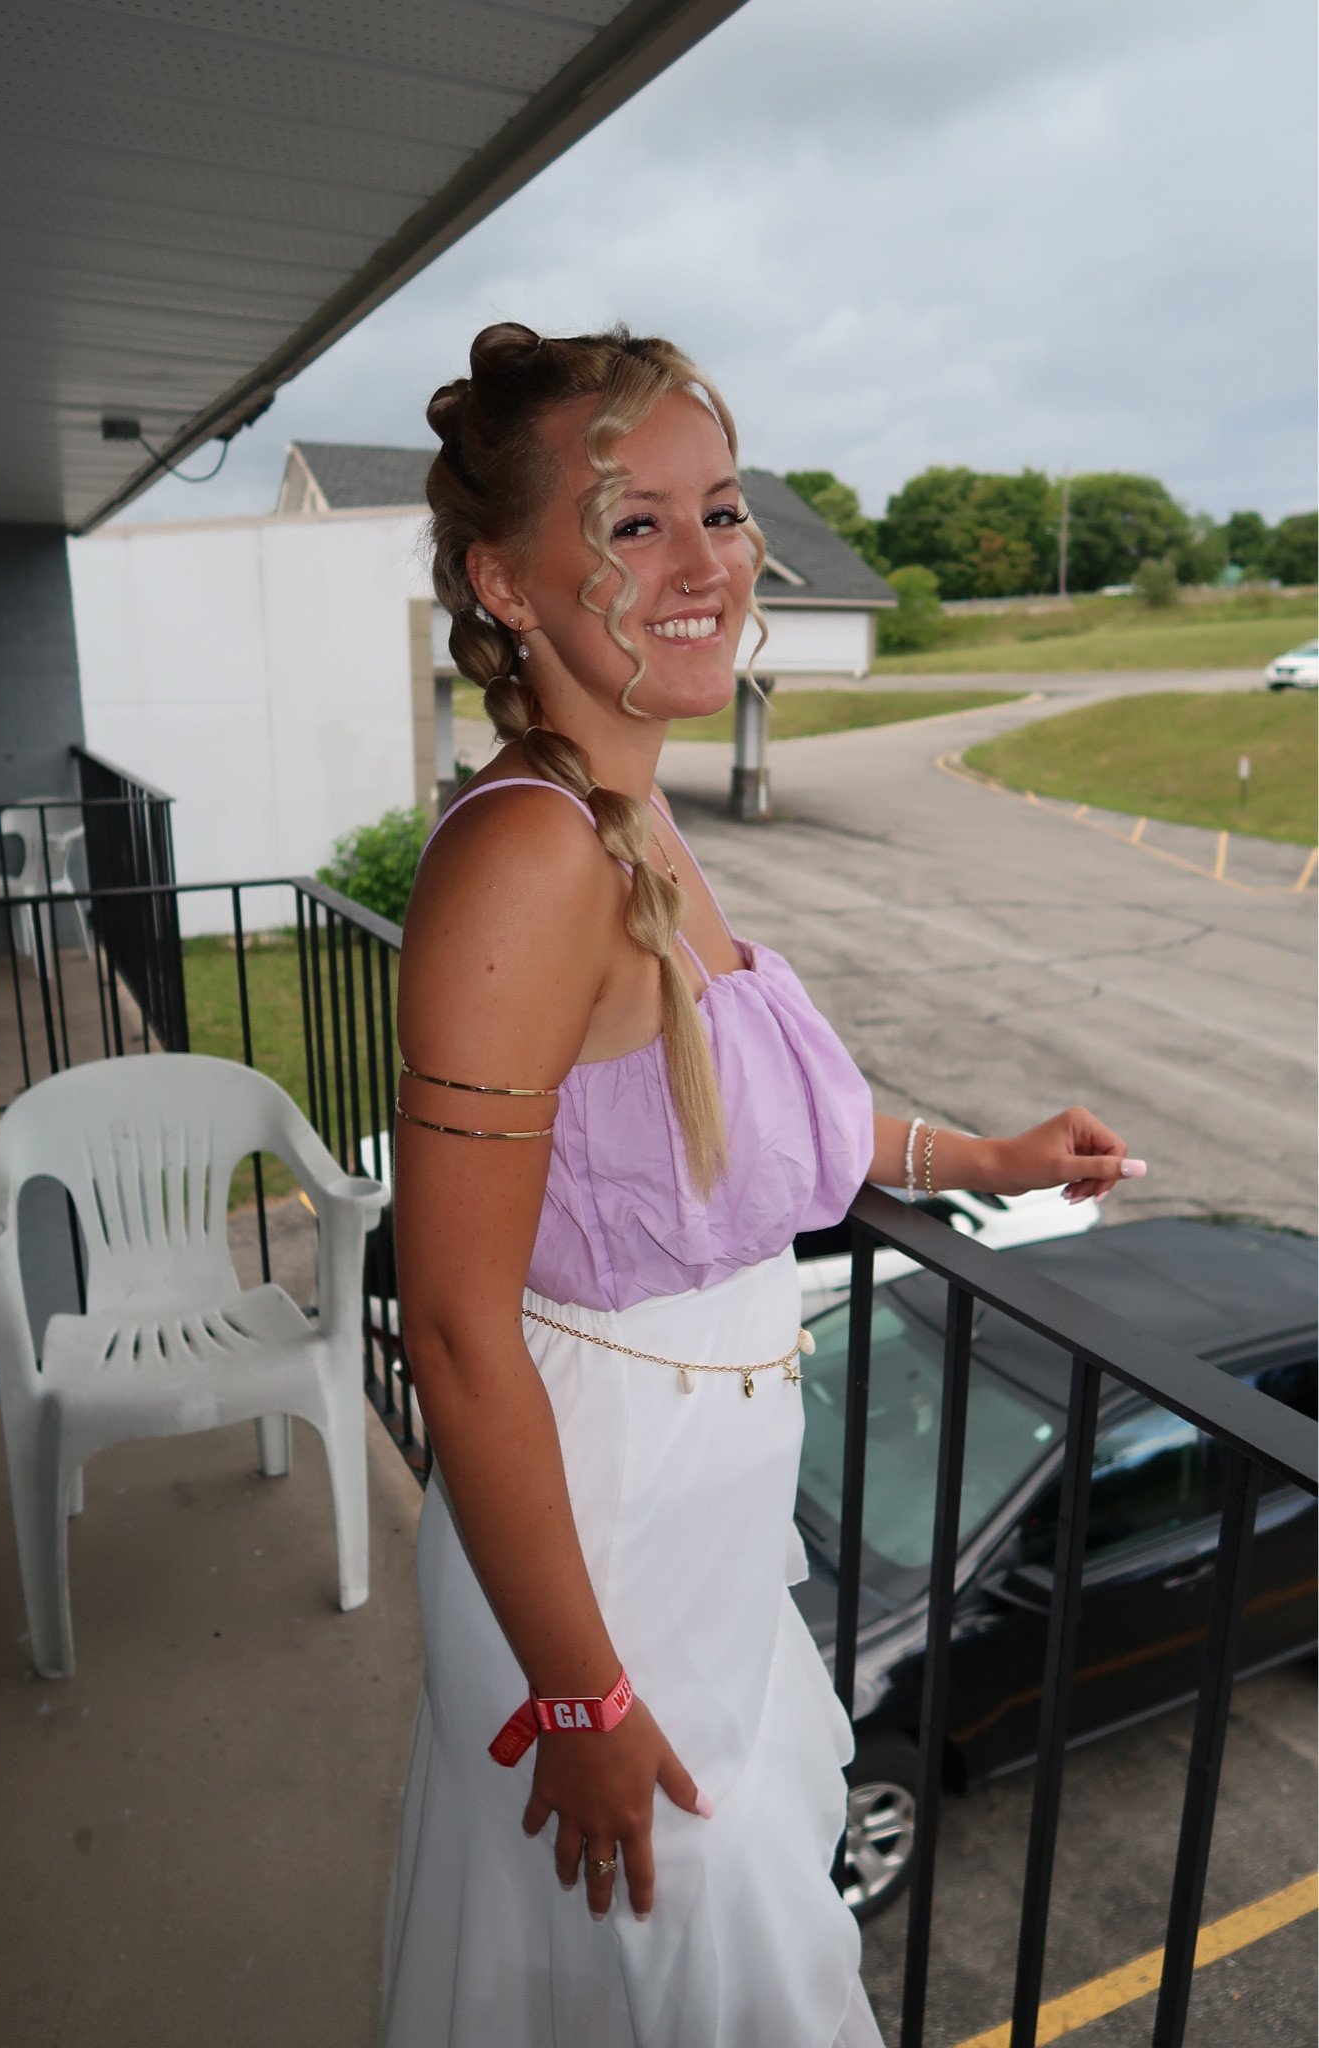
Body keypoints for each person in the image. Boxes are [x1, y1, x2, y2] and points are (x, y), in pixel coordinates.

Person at [380, 324, 1142, 2048]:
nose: (704, 561)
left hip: (701, 1545)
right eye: (631, 522)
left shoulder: (629, 815)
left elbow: (745, 1109)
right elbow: (452, 1326)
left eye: (718, 511)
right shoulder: (526, 857)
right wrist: (579, 1699)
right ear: (503, 580)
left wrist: (978, 1159)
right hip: (594, 1557)